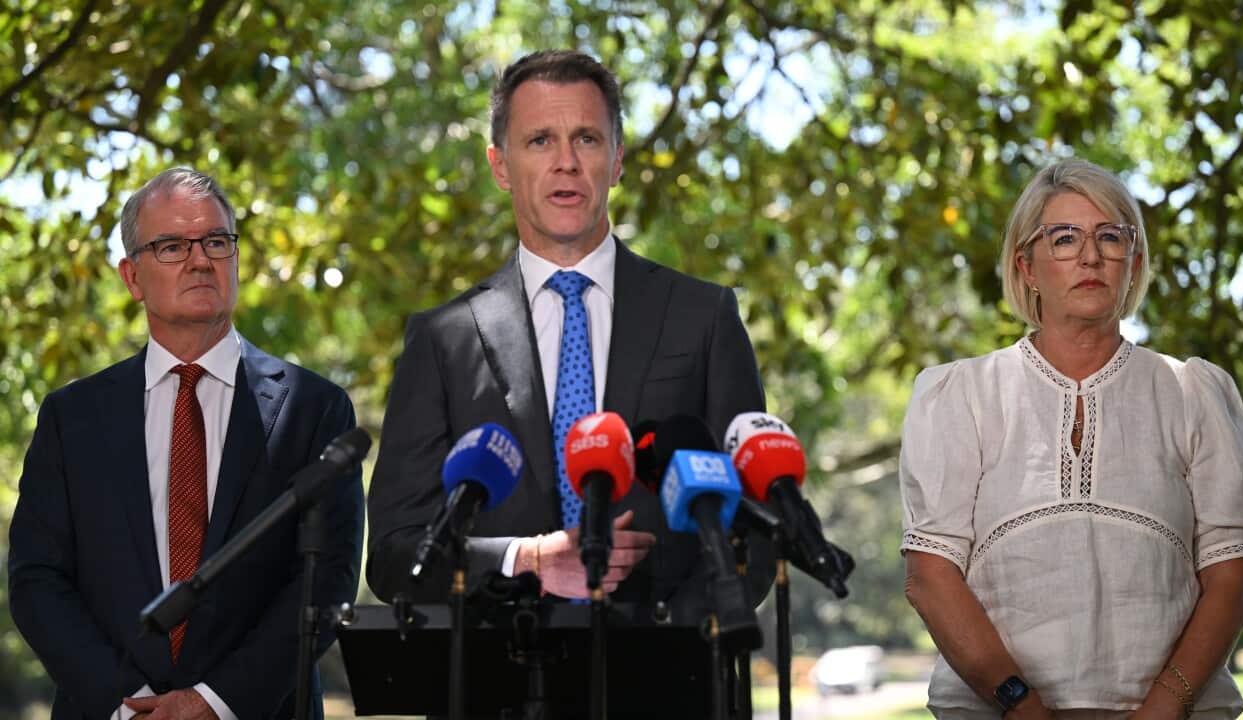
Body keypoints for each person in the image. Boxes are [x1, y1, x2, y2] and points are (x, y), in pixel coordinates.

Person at [366, 50, 772, 612]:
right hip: (499, 661)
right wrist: (526, 559)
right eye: (540, 140)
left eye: (587, 139)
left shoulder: (704, 316)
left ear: (617, 159)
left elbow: (754, 532)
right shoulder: (442, 340)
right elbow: (394, 554)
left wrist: (665, 638)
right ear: (500, 166)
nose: (566, 162)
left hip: (665, 658)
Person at [898, 158, 1243, 719]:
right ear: (1026, 265)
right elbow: (930, 577)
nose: (1090, 256)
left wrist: (1162, 710)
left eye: (1111, 237)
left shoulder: (1192, 392)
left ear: (1133, 263)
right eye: (1065, 238)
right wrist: (1023, 708)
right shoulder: (963, 394)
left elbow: (1229, 578)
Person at [8, 168, 365, 720]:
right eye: (172, 246)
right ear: (132, 277)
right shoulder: (70, 418)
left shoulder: (315, 408)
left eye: (216, 241)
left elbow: (327, 578)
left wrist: (214, 703)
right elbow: (37, 579)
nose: (200, 260)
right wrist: (126, 706)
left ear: (236, 259)